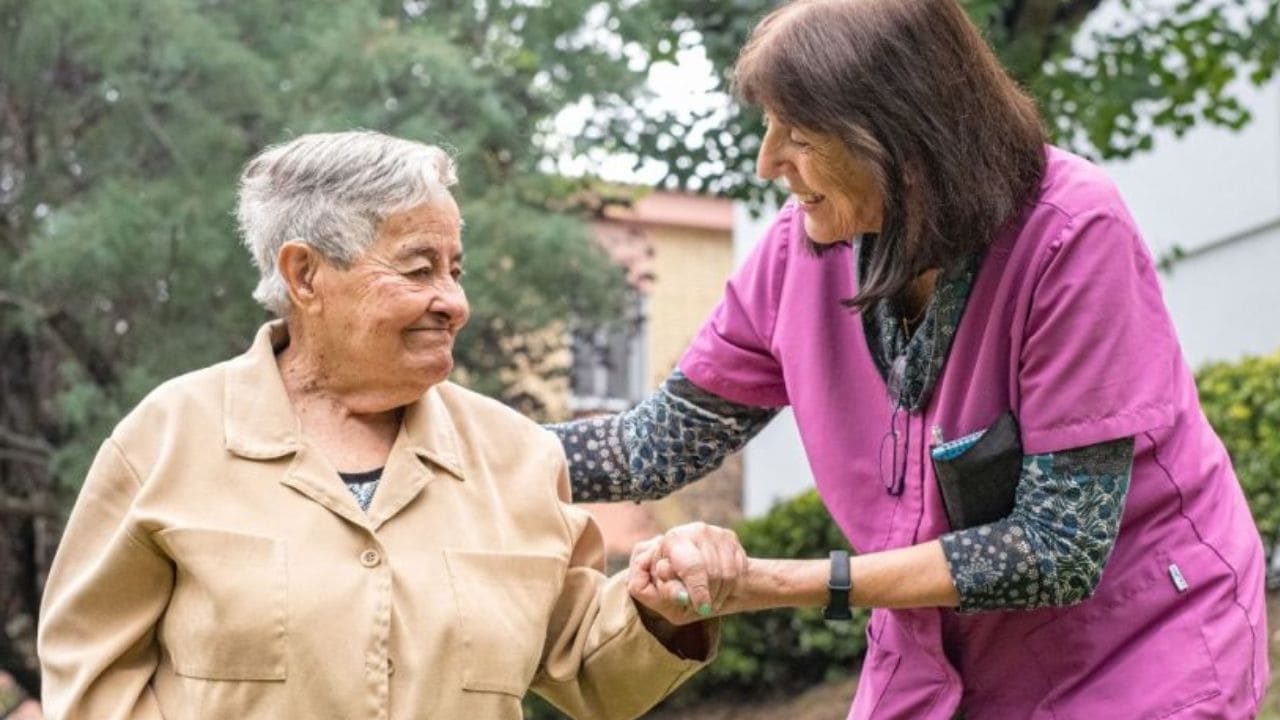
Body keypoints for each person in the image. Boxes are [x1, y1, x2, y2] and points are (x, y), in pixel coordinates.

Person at [551, 1, 1268, 717]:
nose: (768, 162)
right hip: (935, 655)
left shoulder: (1073, 231)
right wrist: (482, 443)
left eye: (798, 133)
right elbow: (653, 446)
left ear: (899, 133)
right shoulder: (797, 252)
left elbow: (1058, 547)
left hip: (1136, 647)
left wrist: (769, 582)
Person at [36, 131, 728, 720]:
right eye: (419, 269)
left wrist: (664, 606)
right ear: (305, 275)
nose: (454, 302)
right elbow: (91, 679)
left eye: (455, 270)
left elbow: (591, 669)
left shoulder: (517, 456)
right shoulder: (164, 441)